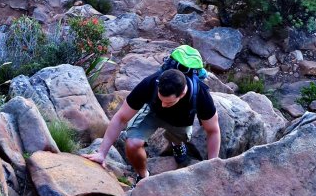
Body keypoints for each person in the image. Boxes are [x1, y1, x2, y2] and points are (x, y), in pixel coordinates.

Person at [86, 45, 221, 180]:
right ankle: (143, 176)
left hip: (181, 120)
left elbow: (213, 130)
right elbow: (121, 118)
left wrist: (211, 166)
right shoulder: (150, 83)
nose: (164, 105)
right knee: (132, 144)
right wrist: (102, 153)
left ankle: (177, 144)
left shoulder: (201, 95)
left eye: (169, 102)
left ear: (183, 93)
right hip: (152, 112)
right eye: (161, 99)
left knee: (180, 137)